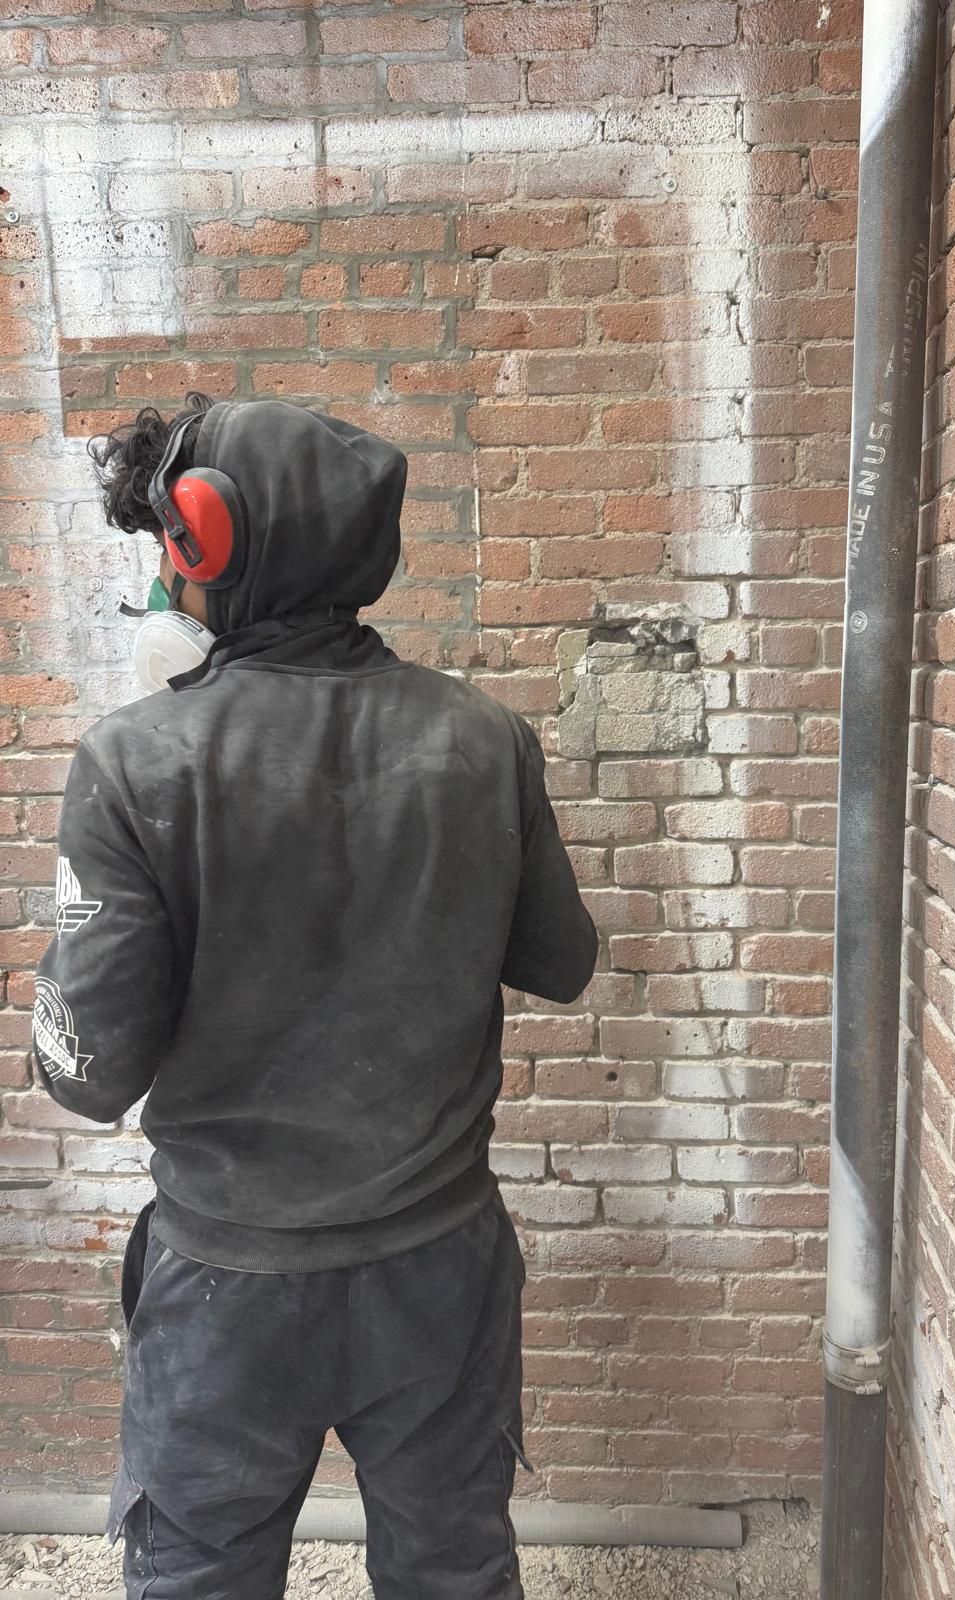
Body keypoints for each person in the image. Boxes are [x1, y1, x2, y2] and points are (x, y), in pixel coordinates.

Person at [33, 393, 598, 1599]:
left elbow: (88, 1073)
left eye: (168, 549)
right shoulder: (486, 738)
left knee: (199, 1576)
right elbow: (563, 961)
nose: (163, 582)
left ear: (208, 543)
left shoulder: (133, 762)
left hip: (226, 1289)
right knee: (453, 1571)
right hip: (439, 1268)